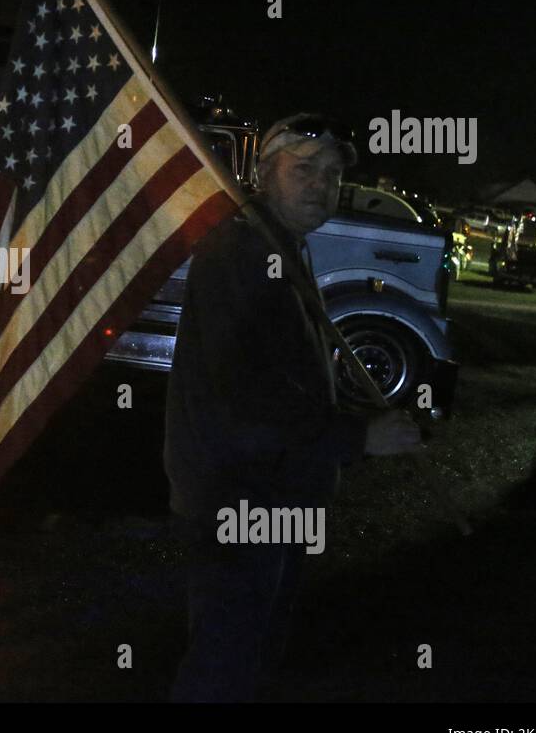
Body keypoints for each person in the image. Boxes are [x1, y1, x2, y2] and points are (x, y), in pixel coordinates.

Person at [164, 112, 424, 702]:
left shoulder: (278, 246)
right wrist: (358, 437)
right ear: (264, 172)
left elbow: (283, 376)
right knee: (225, 664)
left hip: (271, 494)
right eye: (303, 168)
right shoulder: (242, 252)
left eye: (331, 173)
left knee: (251, 653)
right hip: (242, 498)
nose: (319, 183)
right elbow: (245, 403)